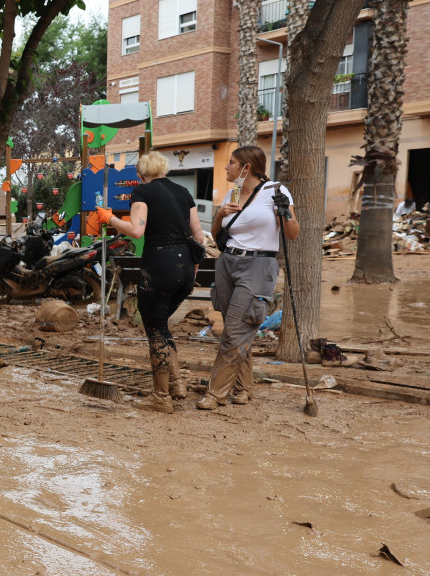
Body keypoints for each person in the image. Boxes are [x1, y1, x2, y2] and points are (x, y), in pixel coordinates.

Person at [95, 151, 205, 413]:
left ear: (140, 173)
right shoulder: (183, 192)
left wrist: (108, 218)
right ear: (164, 169)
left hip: (159, 266)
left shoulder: (142, 192)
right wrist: (193, 272)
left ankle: (160, 397)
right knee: (162, 325)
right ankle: (176, 385)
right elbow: (199, 236)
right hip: (186, 268)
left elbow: (136, 230)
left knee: (155, 331)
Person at [196, 145, 300, 410]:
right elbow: (218, 236)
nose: (226, 168)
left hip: (258, 265)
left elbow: (293, 234)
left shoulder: (276, 191)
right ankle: (243, 388)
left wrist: (285, 210)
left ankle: (216, 393)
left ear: (246, 167)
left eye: (231, 163)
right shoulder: (232, 193)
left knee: (234, 331)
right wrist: (219, 215)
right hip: (227, 262)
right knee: (238, 329)